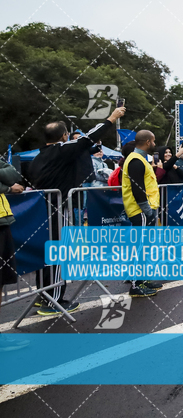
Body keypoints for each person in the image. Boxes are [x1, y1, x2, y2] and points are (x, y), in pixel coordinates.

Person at [28, 107, 125, 315]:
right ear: (63, 136)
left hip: (41, 208)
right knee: (56, 252)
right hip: (56, 208)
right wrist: (112, 117)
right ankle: (53, 301)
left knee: (47, 252)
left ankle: (42, 295)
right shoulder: (62, 151)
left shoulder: (38, 158)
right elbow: (89, 137)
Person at [121, 130, 164, 297]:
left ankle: (142, 280)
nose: (154, 144)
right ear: (147, 142)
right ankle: (135, 285)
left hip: (144, 210)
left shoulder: (139, 159)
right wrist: (148, 210)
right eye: (153, 141)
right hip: (140, 211)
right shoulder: (135, 160)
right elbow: (137, 188)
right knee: (139, 248)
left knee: (144, 247)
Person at [0, 155, 28, 352]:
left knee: (1, 280)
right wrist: (8, 188)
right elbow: (10, 181)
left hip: (2, 222)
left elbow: (13, 173)